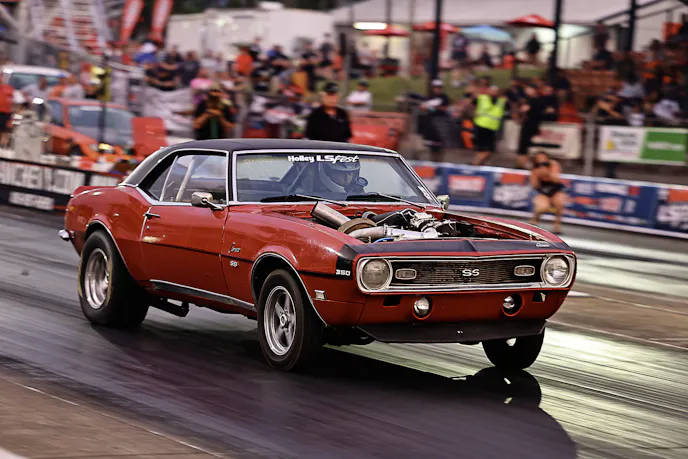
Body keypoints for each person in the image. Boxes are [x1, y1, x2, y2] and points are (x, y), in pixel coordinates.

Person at [529, 151, 566, 234]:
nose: (541, 160)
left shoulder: (553, 164)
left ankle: (557, 226)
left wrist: (547, 173)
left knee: (559, 202)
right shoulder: (535, 169)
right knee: (543, 207)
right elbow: (535, 185)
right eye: (539, 158)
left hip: (556, 190)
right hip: (542, 191)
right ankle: (534, 220)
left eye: (543, 158)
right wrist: (538, 174)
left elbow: (556, 179)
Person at [471, 85, 507, 165]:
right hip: (481, 126)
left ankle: (476, 164)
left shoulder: (501, 101)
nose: (493, 92)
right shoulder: (482, 98)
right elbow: (472, 103)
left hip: (492, 128)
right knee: (483, 150)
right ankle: (475, 164)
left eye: (495, 91)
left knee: (488, 150)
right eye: (492, 90)